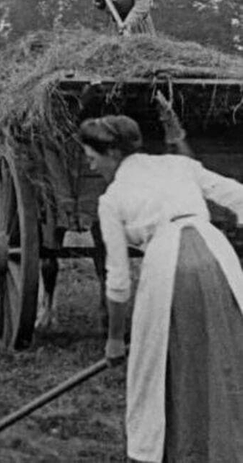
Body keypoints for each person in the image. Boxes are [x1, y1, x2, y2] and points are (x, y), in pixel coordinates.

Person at [79, 114, 243, 463]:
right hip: (219, 257)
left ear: (111, 152)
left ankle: (185, 451)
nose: (91, 165)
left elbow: (119, 280)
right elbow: (239, 196)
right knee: (223, 354)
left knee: (164, 362)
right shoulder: (177, 164)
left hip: (169, 265)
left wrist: (114, 339)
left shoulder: (112, 199)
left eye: (92, 157)